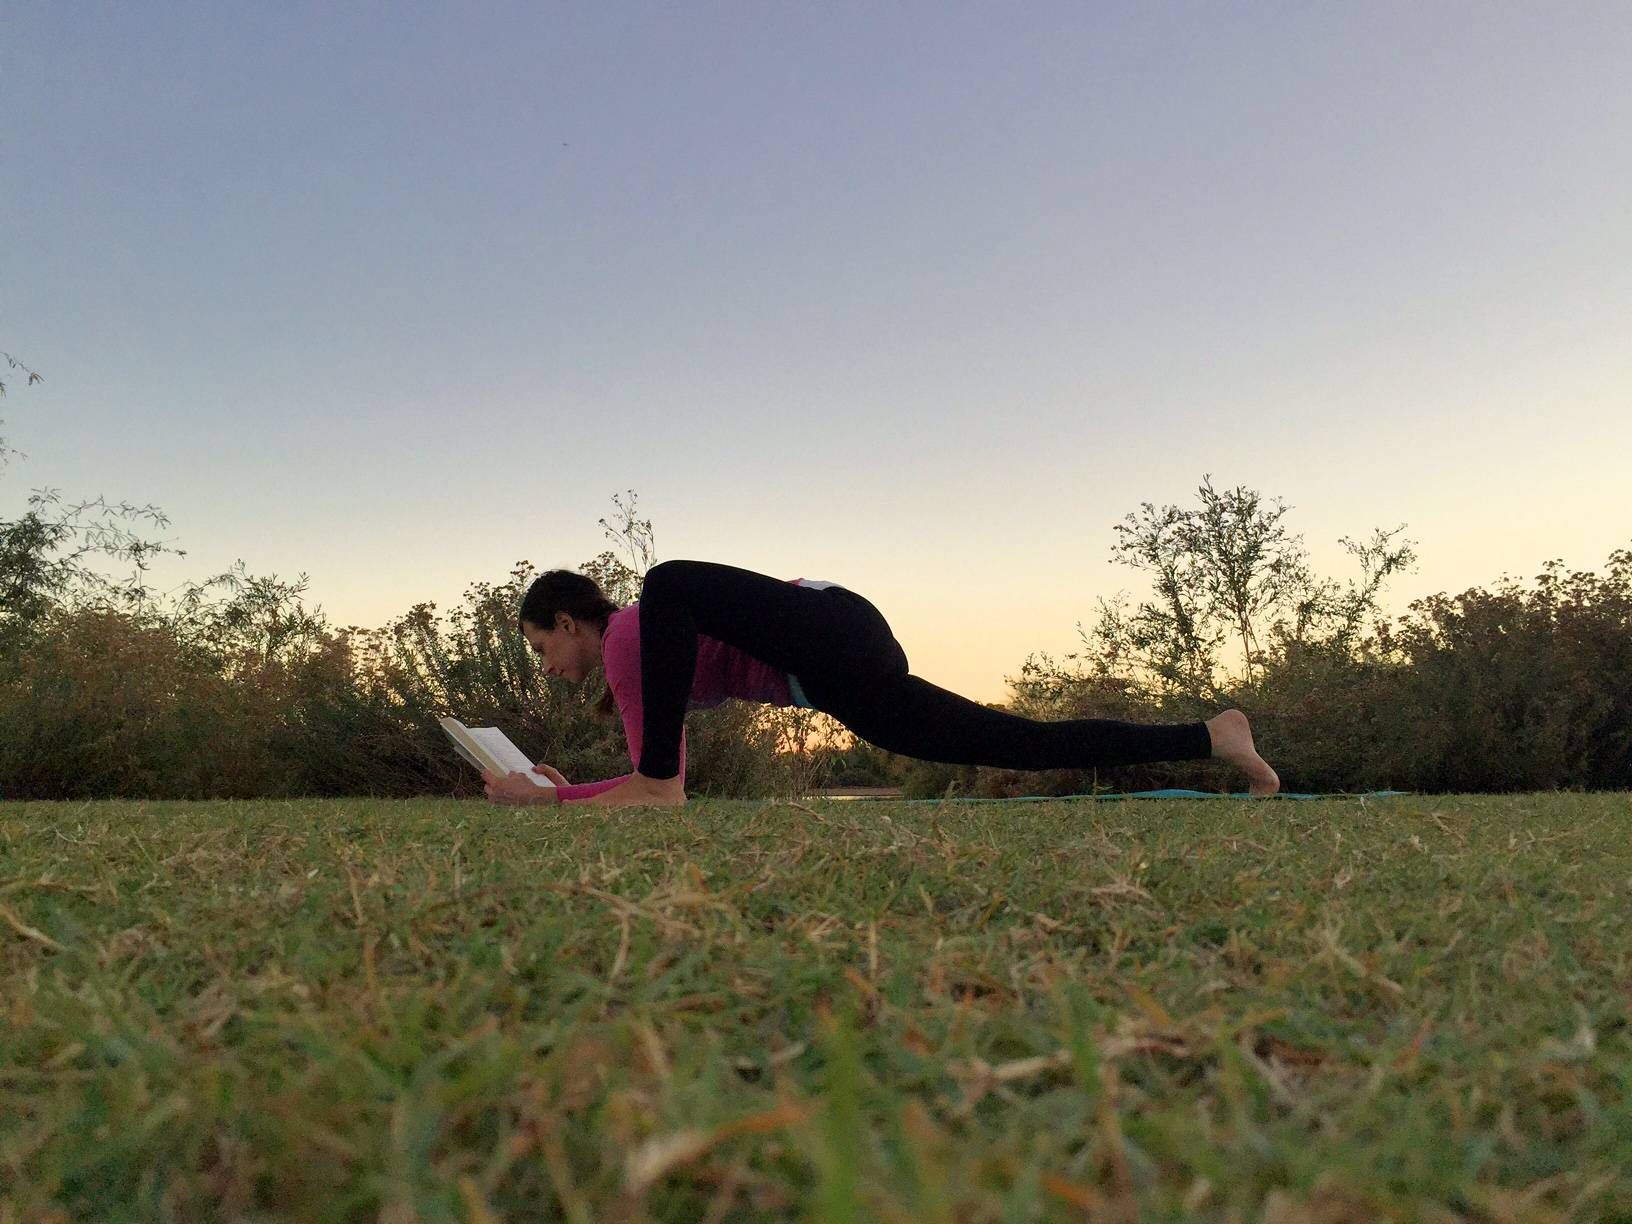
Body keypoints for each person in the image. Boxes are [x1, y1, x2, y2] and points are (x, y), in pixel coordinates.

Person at [481, 559, 1279, 807]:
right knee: (1014, 742)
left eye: (540, 644)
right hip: (837, 657)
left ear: (569, 620)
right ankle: (1213, 736)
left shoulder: (627, 636)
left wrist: (555, 802)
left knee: (667, 583)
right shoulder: (643, 647)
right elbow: (663, 788)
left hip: (827, 640)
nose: (546, 664)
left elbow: (660, 796)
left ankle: (1215, 737)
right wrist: (567, 793)